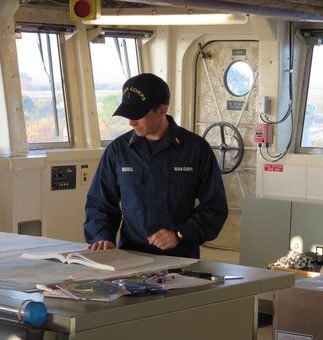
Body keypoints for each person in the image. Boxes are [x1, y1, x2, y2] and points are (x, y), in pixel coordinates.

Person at [83, 73, 228, 259]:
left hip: (180, 261)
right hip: (129, 259)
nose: (131, 122)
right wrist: (102, 236)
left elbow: (215, 207)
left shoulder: (196, 150)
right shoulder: (118, 151)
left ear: (162, 109)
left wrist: (180, 234)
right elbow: (100, 203)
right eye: (128, 115)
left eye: (138, 115)